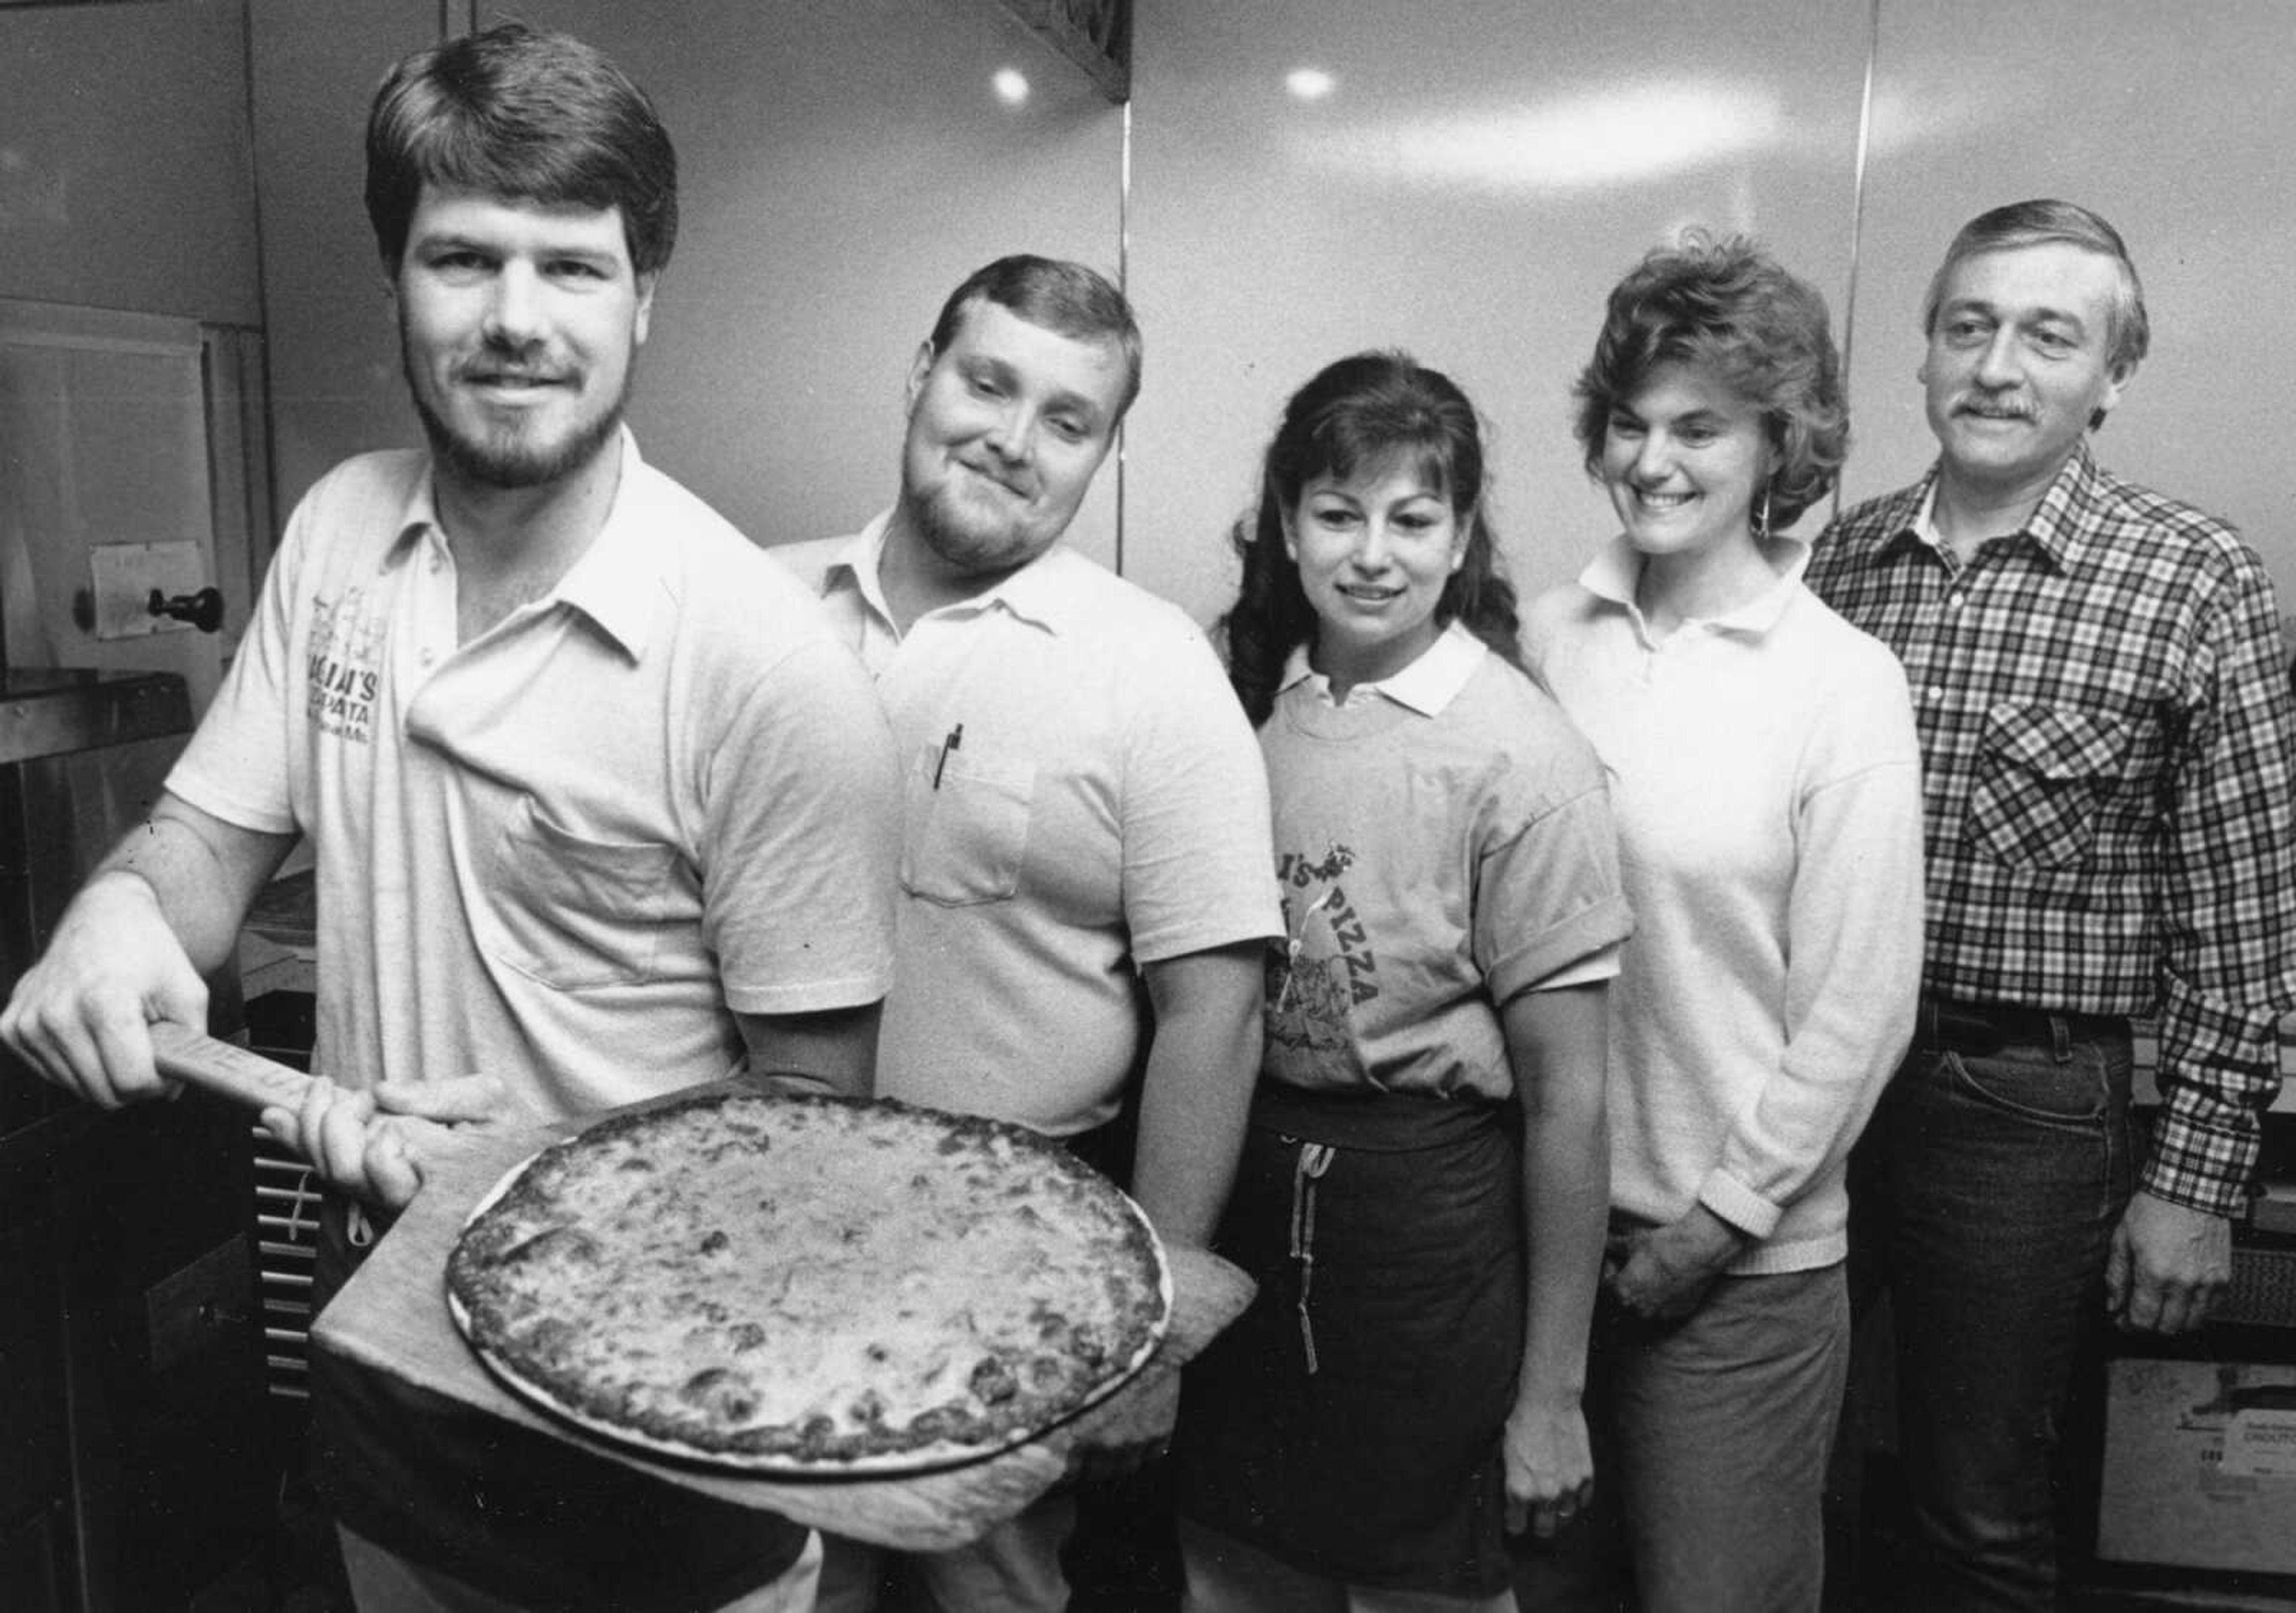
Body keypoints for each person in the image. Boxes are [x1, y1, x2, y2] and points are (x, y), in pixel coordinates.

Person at [0, 23, 900, 1613]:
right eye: (461, 258)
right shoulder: (338, 532)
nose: (513, 320)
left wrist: (513, 1179)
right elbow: (204, 845)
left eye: (570, 266)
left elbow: (813, 1164)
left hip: (654, 1444)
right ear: (395, 281)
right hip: (389, 1396)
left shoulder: (764, 670)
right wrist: (119, 910)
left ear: (644, 299)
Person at [1806, 198, 2296, 1609]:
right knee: (1774, 1451)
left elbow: (2245, 913)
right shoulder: (1842, 564)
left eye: (2046, 335)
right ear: (1923, 356)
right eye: (1970, 327)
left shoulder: (2192, 577)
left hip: (2023, 1106)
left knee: (1976, 1506)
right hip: (1819, 1080)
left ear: (2112, 377)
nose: (1998, 366)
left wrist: (2196, 1183)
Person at [773, 255, 1282, 1613]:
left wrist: (1149, 1329)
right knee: (774, 1586)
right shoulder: (751, 612)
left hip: (1015, 1254)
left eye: (1068, 418)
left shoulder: (1150, 662)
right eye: (986, 381)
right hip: (760, 1235)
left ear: (1104, 451)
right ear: (920, 373)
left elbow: (1218, 1008)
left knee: (996, 1592)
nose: (1012, 436)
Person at [1166, 350, 1629, 1612]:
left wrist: (1553, 1394)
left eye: (1413, 518)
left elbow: (1573, 1103)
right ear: (1286, 525)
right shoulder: (1245, 703)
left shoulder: (1523, 758)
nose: (1373, 552)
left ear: (1462, 533)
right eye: (1337, 512)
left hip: (1428, 1254)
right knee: (1234, 1573)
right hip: (1253, 1214)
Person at [1523, 234, 1924, 1612]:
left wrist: (1718, 1222)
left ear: (1781, 444)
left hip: (1737, 1271)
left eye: (1700, 427)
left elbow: (1861, 1008)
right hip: (1540, 1243)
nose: (1653, 460)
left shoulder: (1840, 682)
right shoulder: (1541, 640)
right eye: (1629, 424)